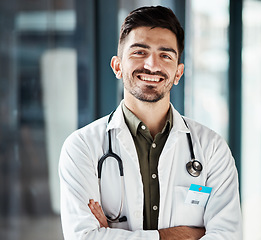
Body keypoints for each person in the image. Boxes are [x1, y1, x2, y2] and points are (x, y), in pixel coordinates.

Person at [59, 5, 242, 239]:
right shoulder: (82, 147)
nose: (152, 65)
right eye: (139, 52)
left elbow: (227, 235)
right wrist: (178, 235)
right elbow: (83, 237)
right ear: (117, 66)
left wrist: (110, 234)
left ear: (178, 73)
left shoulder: (211, 148)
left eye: (165, 55)